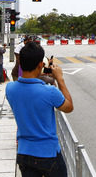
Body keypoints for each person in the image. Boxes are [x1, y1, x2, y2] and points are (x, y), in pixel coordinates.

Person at [6, 42, 73, 177]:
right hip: (48, 154)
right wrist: (60, 79)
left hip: (24, 153)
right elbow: (69, 107)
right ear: (40, 65)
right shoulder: (49, 92)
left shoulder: (10, 89)